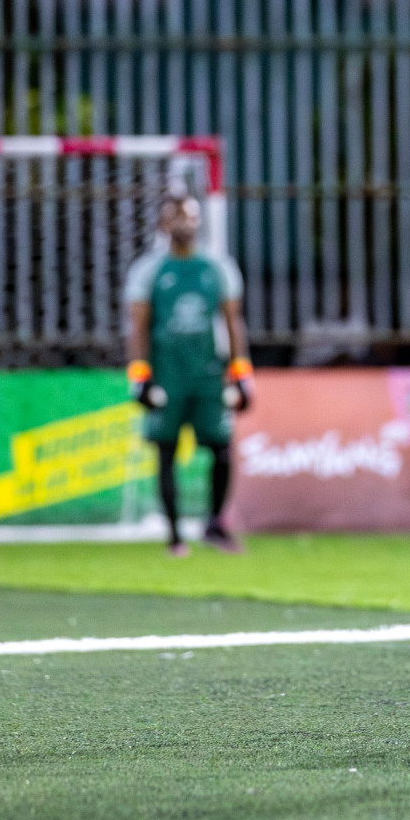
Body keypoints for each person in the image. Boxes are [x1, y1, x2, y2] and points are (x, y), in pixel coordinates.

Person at [124, 195, 253, 556]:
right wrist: (139, 376)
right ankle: (174, 535)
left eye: (189, 216)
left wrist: (242, 373)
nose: (183, 223)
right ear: (164, 225)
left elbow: (233, 322)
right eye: (175, 216)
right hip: (167, 373)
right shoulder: (149, 271)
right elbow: (137, 327)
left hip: (208, 373)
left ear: (199, 222)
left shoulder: (218, 267)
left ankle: (215, 524)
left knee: (221, 448)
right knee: (165, 450)